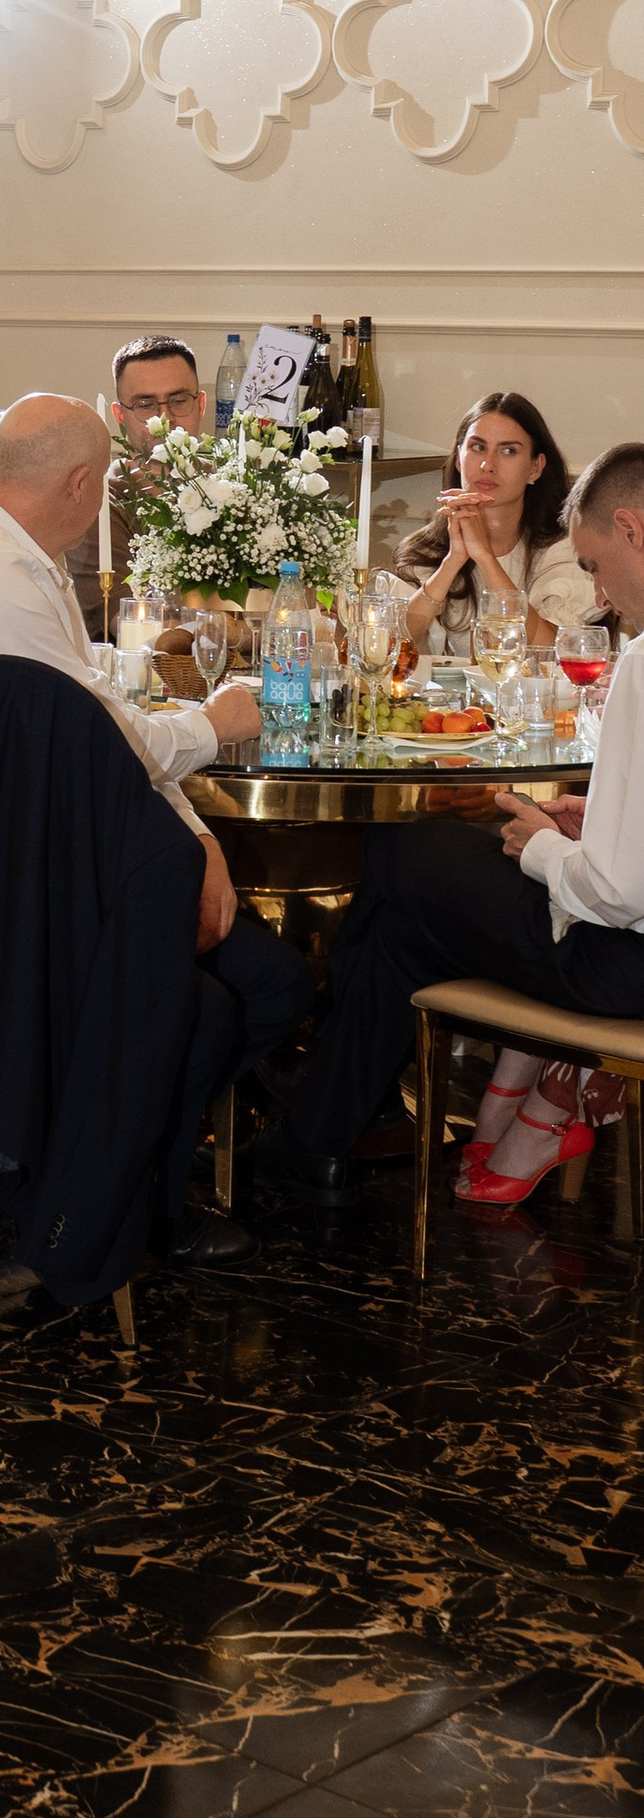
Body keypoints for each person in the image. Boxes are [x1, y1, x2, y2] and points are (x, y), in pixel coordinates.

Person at [0, 392, 305, 1266]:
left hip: (77, 855)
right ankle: (100, 1198)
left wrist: (199, 836)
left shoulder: (17, 558)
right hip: (19, 899)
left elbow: (103, 727)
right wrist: (218, 724)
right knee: (216, 1009)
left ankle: (109, 1161)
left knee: (268, 986)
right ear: (82, 482)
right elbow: (111, 745)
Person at [263, 441, 644, 1208]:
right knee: (405, 930)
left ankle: (315, 1110)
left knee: (403, 845)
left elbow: (614, 890)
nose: (599, 594)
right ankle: (317, 1141)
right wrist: (589, 819)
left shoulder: (641, 663)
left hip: (619, 963)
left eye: (598, 567)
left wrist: (539, 845)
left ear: (634, 529)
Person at [395, 390, 588, 659]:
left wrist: (485, 558)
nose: (488, 464)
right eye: (477, 447)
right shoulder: (425, 550)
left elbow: (552, 654)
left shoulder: (565, 552)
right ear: (459, 458)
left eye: (508, 451)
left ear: (535, 468)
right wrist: (453, 561)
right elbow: (390, 649)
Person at [71, 333, 206, 640]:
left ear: (200, 405)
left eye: (179, 400)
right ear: (121, 415)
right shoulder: (97, 499)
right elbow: (132, 626)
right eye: (145, 405)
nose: (164, 418)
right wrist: (234, 629)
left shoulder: (234, 487)